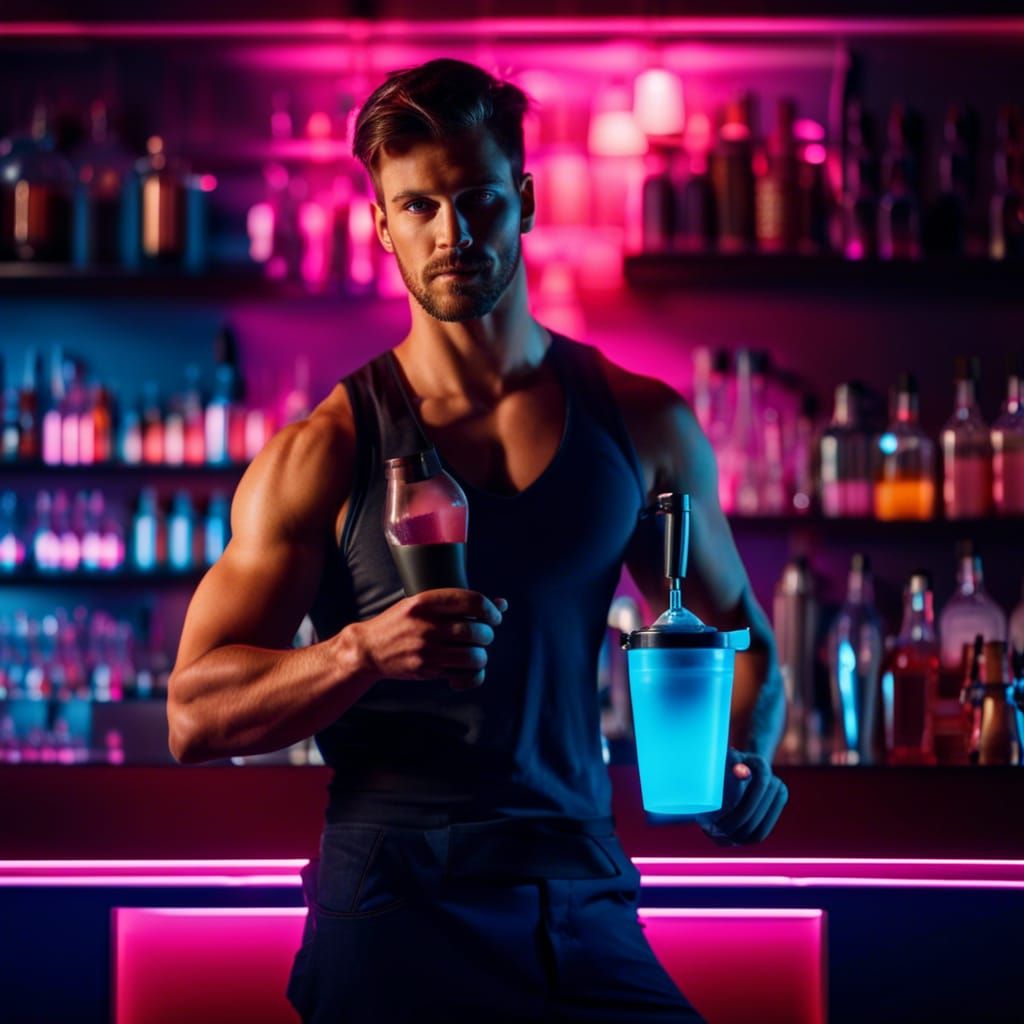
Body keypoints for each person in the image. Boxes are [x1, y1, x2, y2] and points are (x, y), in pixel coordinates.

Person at [167, 58, 787, 1024]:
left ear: (525, 201)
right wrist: (361, 649)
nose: (451, 234)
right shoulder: (325, 450)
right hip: (391, 894)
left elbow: (741, 631)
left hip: (575, 886)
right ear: (381, 225)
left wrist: (737, 756)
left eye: (477, 200)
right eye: (417, 207)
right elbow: (194, 714)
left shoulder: (643, 423)